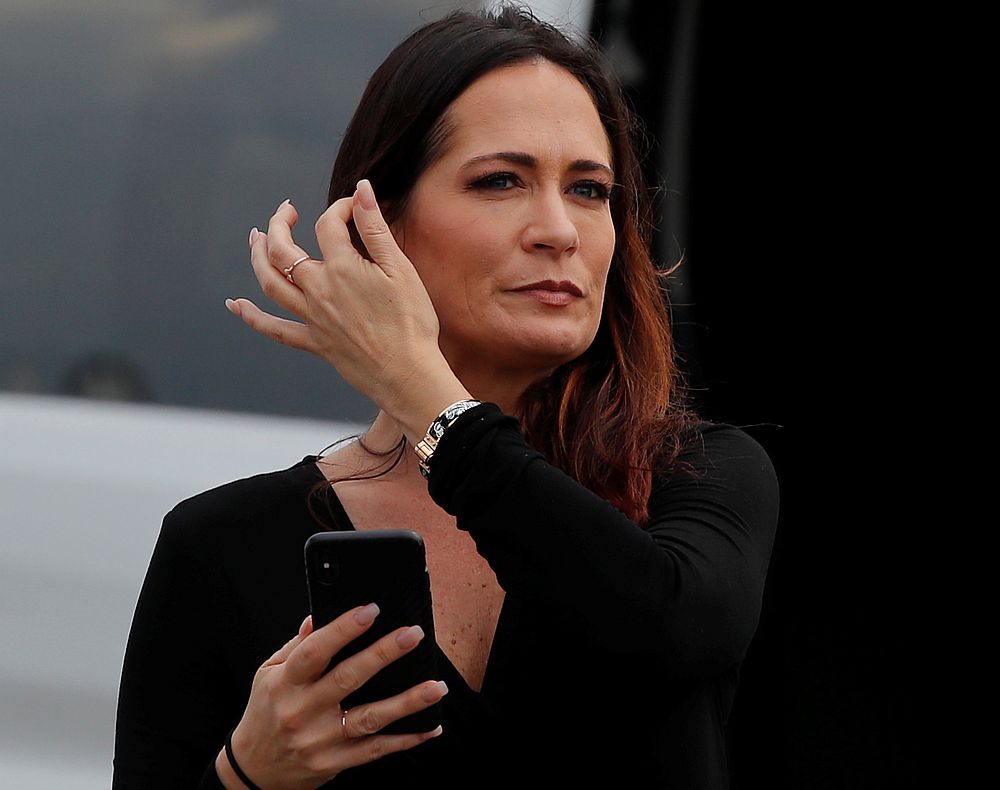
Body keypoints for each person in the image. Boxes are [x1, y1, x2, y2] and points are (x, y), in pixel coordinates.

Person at [113, 7, 778, 789]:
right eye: (502, 181)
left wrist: (426, 399)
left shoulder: (694, 475)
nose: (560, 230)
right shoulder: (222, 542)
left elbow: (667, 628)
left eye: (590, 189)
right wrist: (246, 775)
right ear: (377, 225)